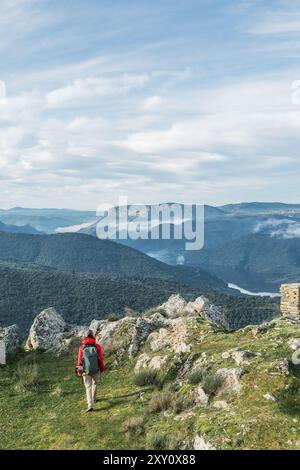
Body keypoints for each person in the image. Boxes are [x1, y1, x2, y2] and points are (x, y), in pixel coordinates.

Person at [77, 330, 105, 412]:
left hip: (85, 370)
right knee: (95, 383)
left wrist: (79, 371)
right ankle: (94, 398)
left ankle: (90, 405)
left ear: (85, 337)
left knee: (88, 387)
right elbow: (101, 359)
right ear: (93, 336)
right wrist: (102, 368)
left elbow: (79, 361)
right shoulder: (97, 346)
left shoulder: (82, 348)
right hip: (96, 369)